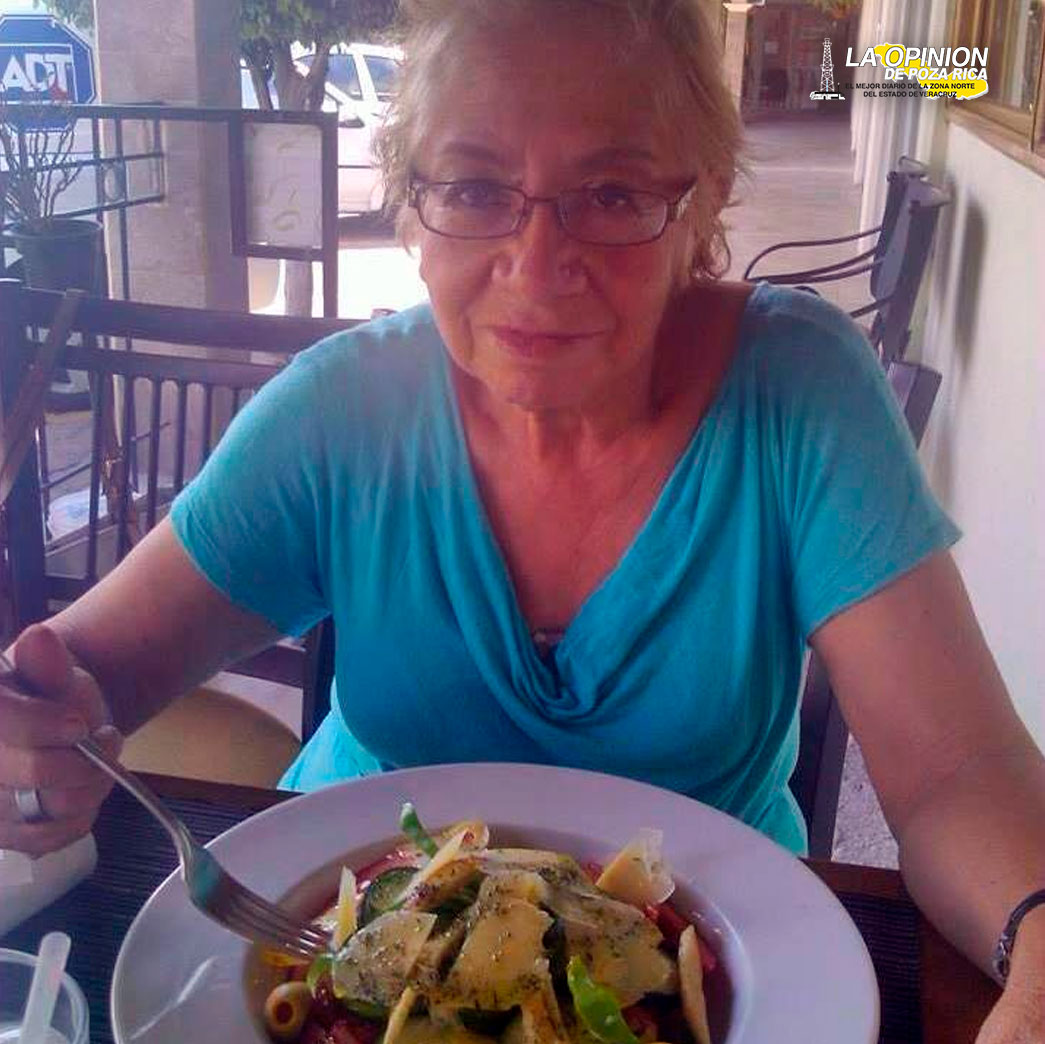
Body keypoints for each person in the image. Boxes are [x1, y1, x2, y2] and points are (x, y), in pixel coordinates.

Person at [2, 0, 1043, 1037]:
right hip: (340, 938)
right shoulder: (337, 410)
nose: (537, 265)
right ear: (409, 206)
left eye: (611, 191)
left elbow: (957, 769)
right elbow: (87, 670)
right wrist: (31, 741)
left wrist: (1038, 937)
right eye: (472, 186)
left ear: (704, 198)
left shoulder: (800, 392)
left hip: (720, 970)